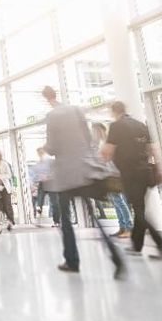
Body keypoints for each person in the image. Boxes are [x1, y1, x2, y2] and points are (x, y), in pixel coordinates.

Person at [42, 86, 125, 279]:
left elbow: (53, 147)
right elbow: (88, 140)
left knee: (65, 218)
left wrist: (46, 147)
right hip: (84, 169)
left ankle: (72, 261)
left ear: (46, 98)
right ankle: (115, 256)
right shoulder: (76, 110)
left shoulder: (52, 116)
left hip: (65, 174)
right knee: (93, 215)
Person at [102, 101, 162, 260]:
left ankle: (161, 244)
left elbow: (107, 153)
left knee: (138, 211)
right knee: (139, 208)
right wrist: (158, 169)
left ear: (114, 112)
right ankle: (137, 245)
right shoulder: (141, 125)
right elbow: (152, 151)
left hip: (129, 173)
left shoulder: (116, 126)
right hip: (145, 172)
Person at [91, 122, 133, 239]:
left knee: (119, 202)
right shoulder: (100, 144)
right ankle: (122, 227)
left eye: (95, 131)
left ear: (100, 130)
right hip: (107, 175)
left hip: (115, 175)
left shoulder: (109, 142)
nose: (94, 134)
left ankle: (128, 227)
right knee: (116, 202)